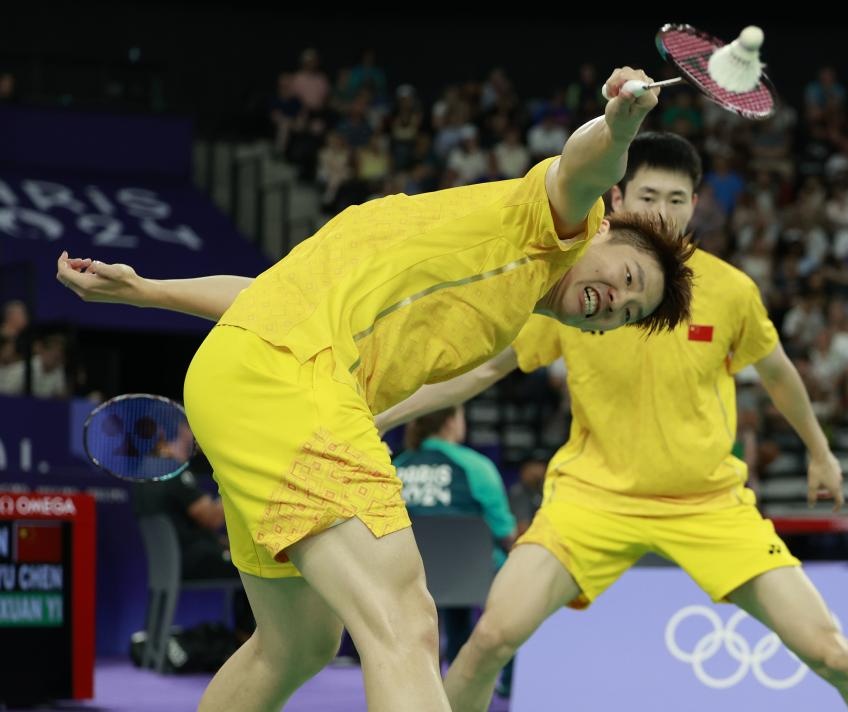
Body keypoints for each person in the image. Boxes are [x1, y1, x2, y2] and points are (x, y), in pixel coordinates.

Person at [56, 67, 693, 712]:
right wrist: (619, 127)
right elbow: (585, 166)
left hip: (248, 367)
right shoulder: (544, 226)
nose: (616, 302)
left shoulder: (498, 294)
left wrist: (148, 291)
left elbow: (271, 298)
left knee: (296, 643)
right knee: (403, 621)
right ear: (605, 227)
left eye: (627, 314)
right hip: (289, 380)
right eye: (629, 277)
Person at [375, 132, 848, 711]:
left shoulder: (731, 291)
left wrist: (820, 453)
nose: (663, 212)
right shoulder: (584, 285)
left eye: (676, 200)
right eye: (649, 197)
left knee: (833, 654)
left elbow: (778, 374)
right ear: (620, 199)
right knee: (490, 639)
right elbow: (482, 368)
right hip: (592, 499)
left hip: (708, 504)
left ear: (695, 205)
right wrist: (382, 413)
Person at [393, 406, 515, 667]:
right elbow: (504, 531)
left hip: (411, 574)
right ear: (450, 422)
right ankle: (504, 677)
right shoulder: (476, 466)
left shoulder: (396, 468)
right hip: (470, 576)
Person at [132, 458, 256, 642]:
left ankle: (243, 641)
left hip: (171, 563)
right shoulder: (173, 472)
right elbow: (212, 517)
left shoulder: (144, 475)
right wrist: (238, 489)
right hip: (191, 562)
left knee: (242, 561)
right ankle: (249, 642)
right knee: (250, 566)